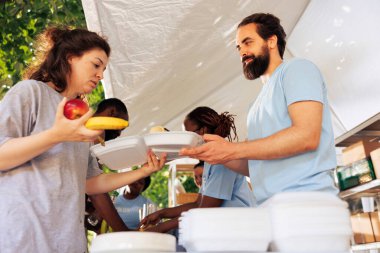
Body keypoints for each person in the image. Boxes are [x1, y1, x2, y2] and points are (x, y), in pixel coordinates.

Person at [0, 27, 166, 253]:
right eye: (96, 65)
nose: (100, 75)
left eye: (104, 69)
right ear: (70, 58)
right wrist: (55, 135)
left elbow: (89, 183)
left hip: (68, 242)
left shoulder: (82, 116)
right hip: (23, 239)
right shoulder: (30, 92)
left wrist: (143, 171)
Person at [180, 13, 338, 205]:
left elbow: (306, 136)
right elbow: (252, 164)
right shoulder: (255, 105)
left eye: (248, 43)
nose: (242, 52)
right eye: (239, 47)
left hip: (307, 202)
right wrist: (215, 152)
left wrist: (233, 149)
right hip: (270, 208)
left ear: (271, 41)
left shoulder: (297, 69)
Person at [140, 106, 254, 233]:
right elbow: (198, 204)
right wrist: (161, 214)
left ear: (202, 131)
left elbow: (205, 209)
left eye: (187, 134)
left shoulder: (222, 159)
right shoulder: (210, 161)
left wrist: (160, 228)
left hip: (238, 230)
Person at [86, 98, 130, 233]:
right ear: (111, 113)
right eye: (119, 128)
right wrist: (123, 231)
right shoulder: (95, 133)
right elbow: (96, 189)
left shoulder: (98, 140)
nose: (118, 134)